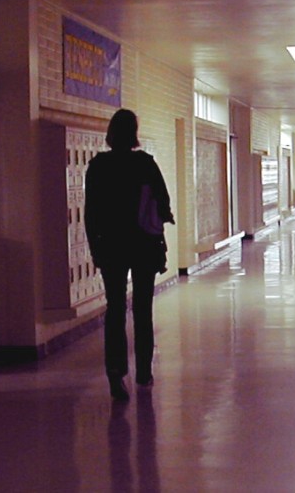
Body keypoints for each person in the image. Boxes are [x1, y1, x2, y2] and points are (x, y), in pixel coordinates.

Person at [85, 109, 175, 401]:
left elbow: (91, 213)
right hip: (143, 246)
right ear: (134, 132)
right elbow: (163, 203)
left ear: (111, 132)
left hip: (111, 246)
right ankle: (144, 371)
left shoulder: (98, 166)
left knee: (115, 309)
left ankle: (115, 374)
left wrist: (95, 249)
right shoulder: (145, 164)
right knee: (142, 308)